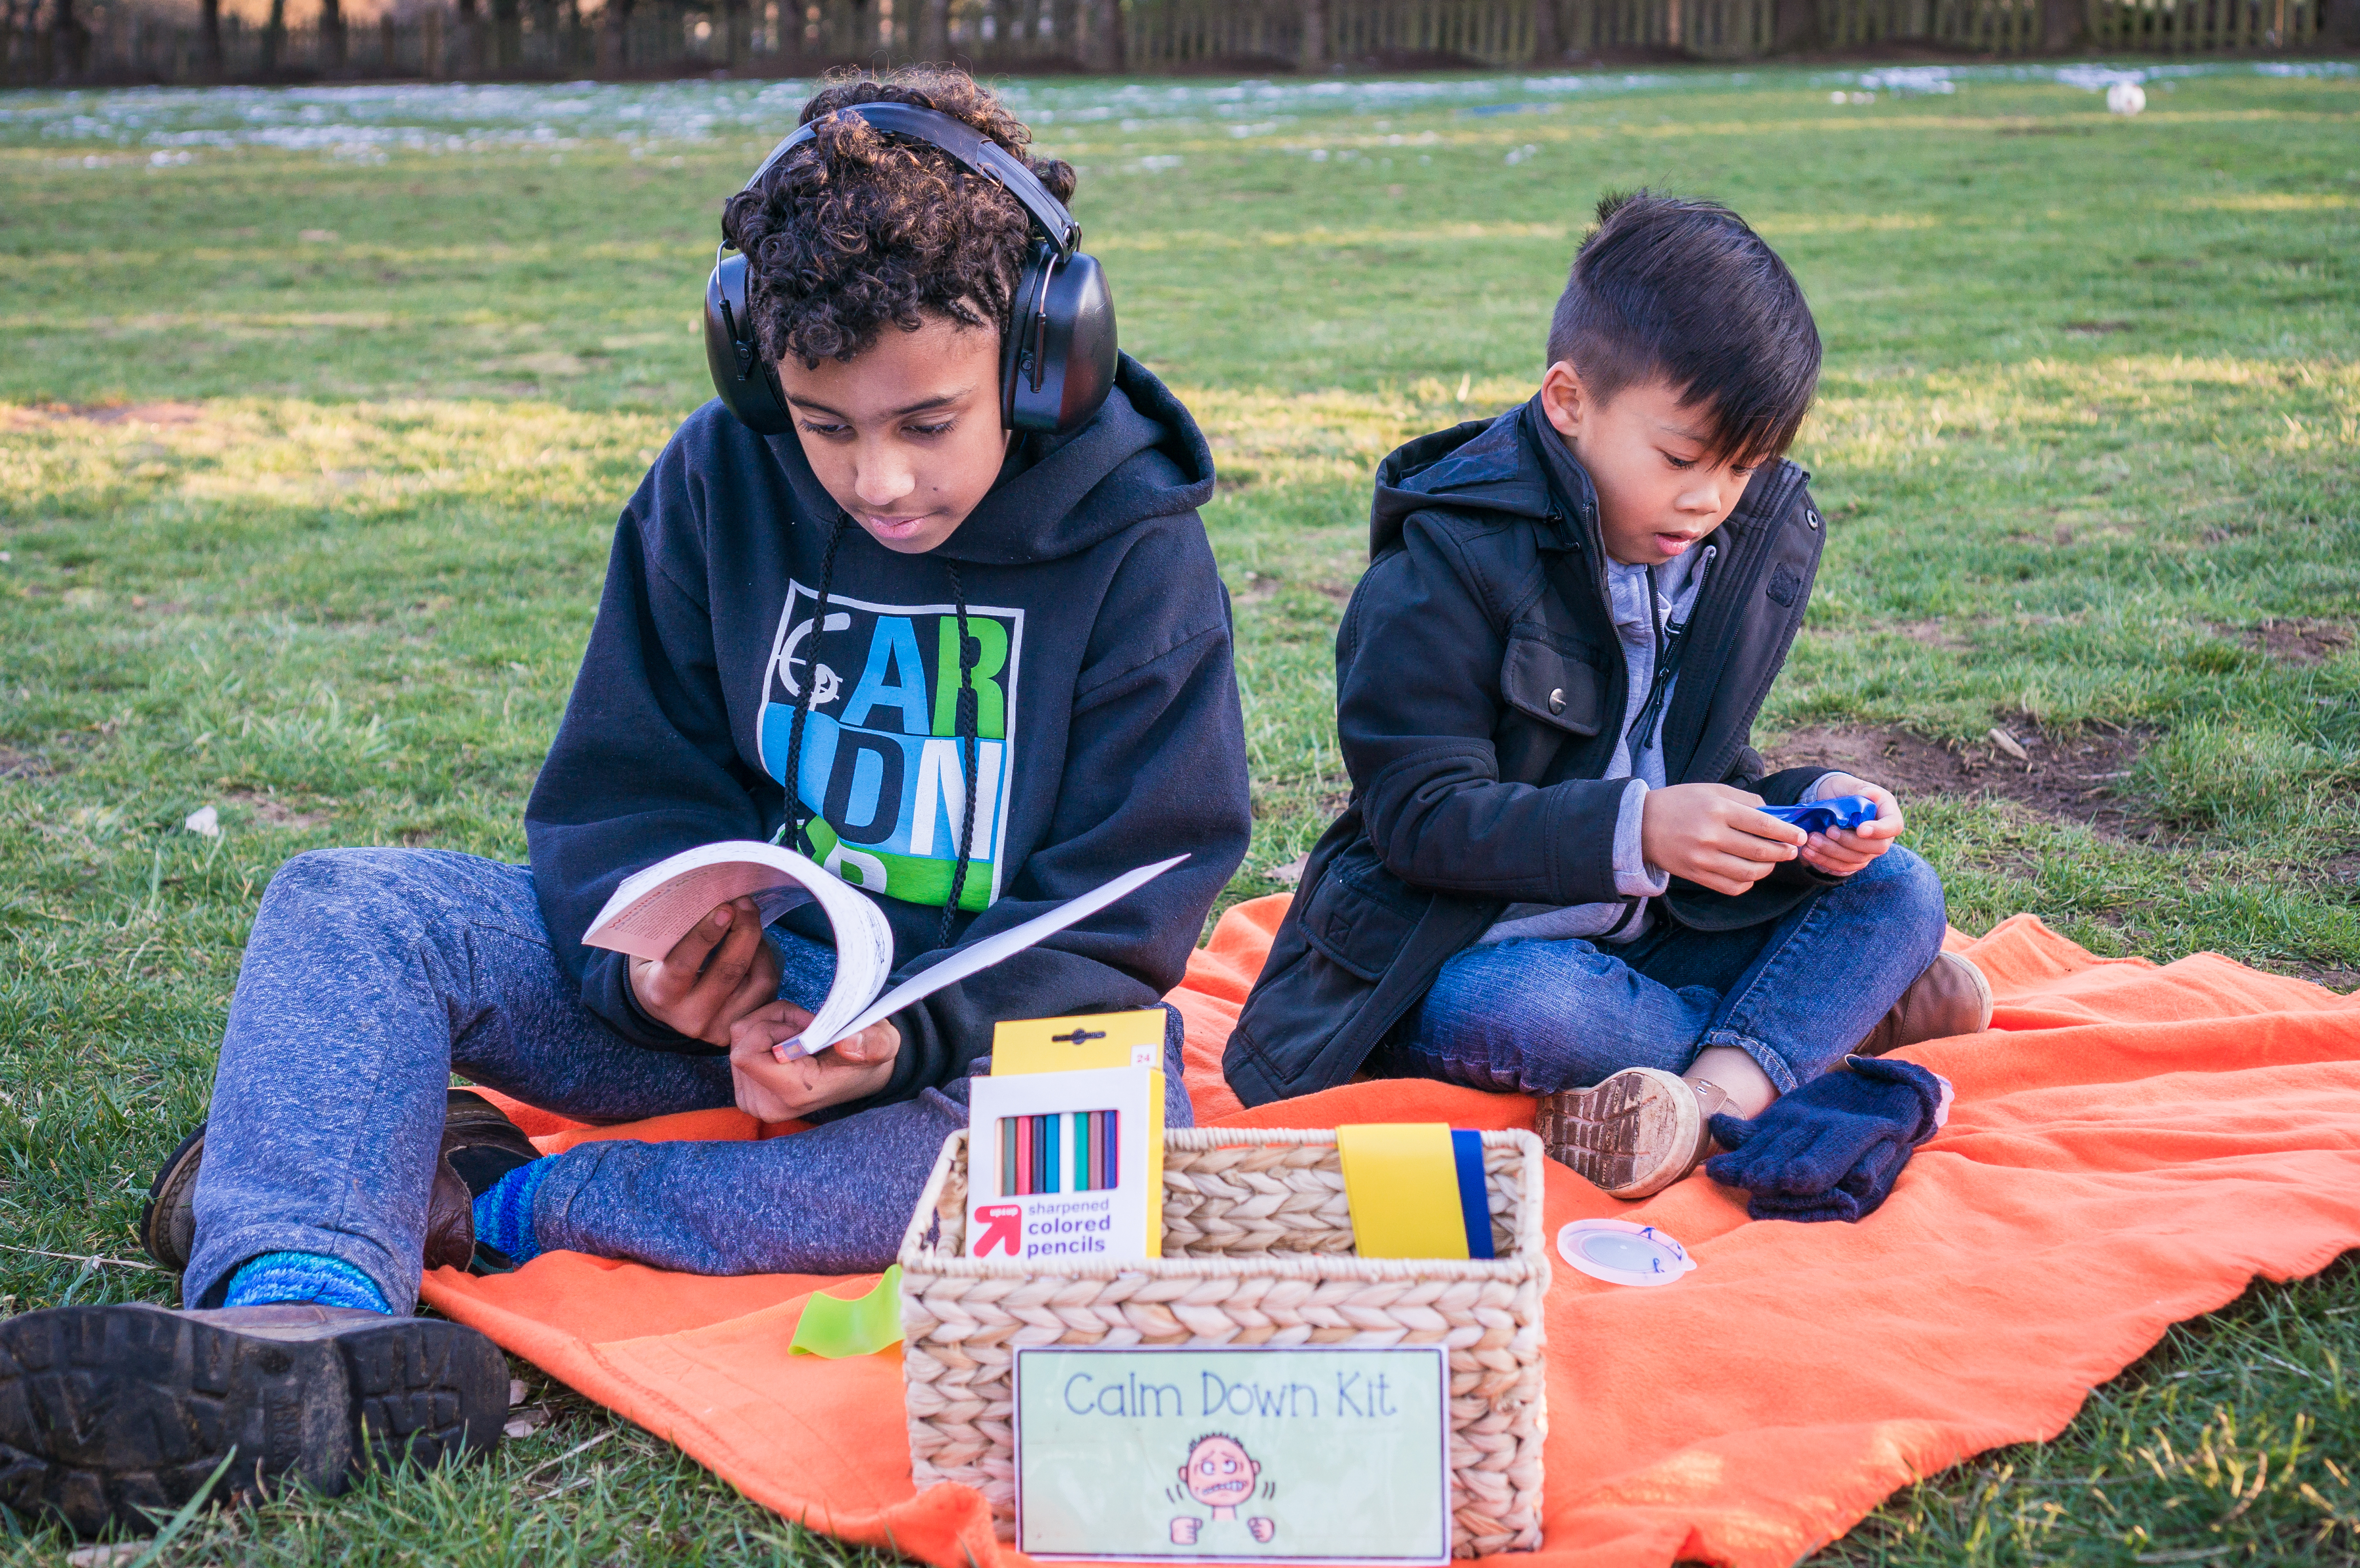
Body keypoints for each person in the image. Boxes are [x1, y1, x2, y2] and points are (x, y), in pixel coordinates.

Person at [0, 67, 1251, 1537]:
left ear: (1047, 353)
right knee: (353, 906)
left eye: (926, 420)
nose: (879, 479)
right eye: (825, 425)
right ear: (754, 368)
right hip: (727, 1022)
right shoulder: (716, 482)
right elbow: (623, 788)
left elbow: (1133, 902)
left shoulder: (1139, 551)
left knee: (1104, 1157)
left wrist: (906, 1038)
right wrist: (649, 965)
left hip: (975, 1052)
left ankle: (484, 1204)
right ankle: (299, 1320)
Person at [1225, 191, 1988, 1202]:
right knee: (1532, 1011)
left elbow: (1703, 768)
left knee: (1900, 891)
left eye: (1740, 469)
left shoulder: (1720, 547)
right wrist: (1639, 830)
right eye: (1679, 459)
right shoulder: (1442, 565)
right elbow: (1417, 820)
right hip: (1459, 949)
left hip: (1652, 927)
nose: (1707, 500)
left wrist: (1807, 810)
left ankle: (1712, 1092)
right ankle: (1808, 1034)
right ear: (1567, 401)